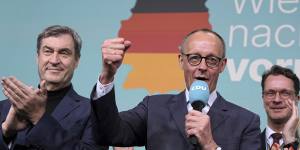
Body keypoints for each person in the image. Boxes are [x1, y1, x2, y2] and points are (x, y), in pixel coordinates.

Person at [91, 29, 261, 149]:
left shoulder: (246, 122)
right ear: (181, 61)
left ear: (222, 65)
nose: (202, 66)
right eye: (194, 58)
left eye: (211, 60)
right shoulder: (154, 108)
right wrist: (107, 76)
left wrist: (211, 146)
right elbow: (110, 133)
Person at [0, 25, 107, 150]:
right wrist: (6, 132)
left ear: (76, 61)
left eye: (64, 53)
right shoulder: (4, 108)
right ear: (37, 58)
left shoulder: (94, 112)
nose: (54, 60)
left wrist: (39, 118)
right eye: (48, 51)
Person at [260, 65, 300, 150]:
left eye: (285, 93)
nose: (277, 100)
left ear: (297, 99)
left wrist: (289, 139)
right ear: (263, 98)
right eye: (271, 93)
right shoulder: (247, 143)